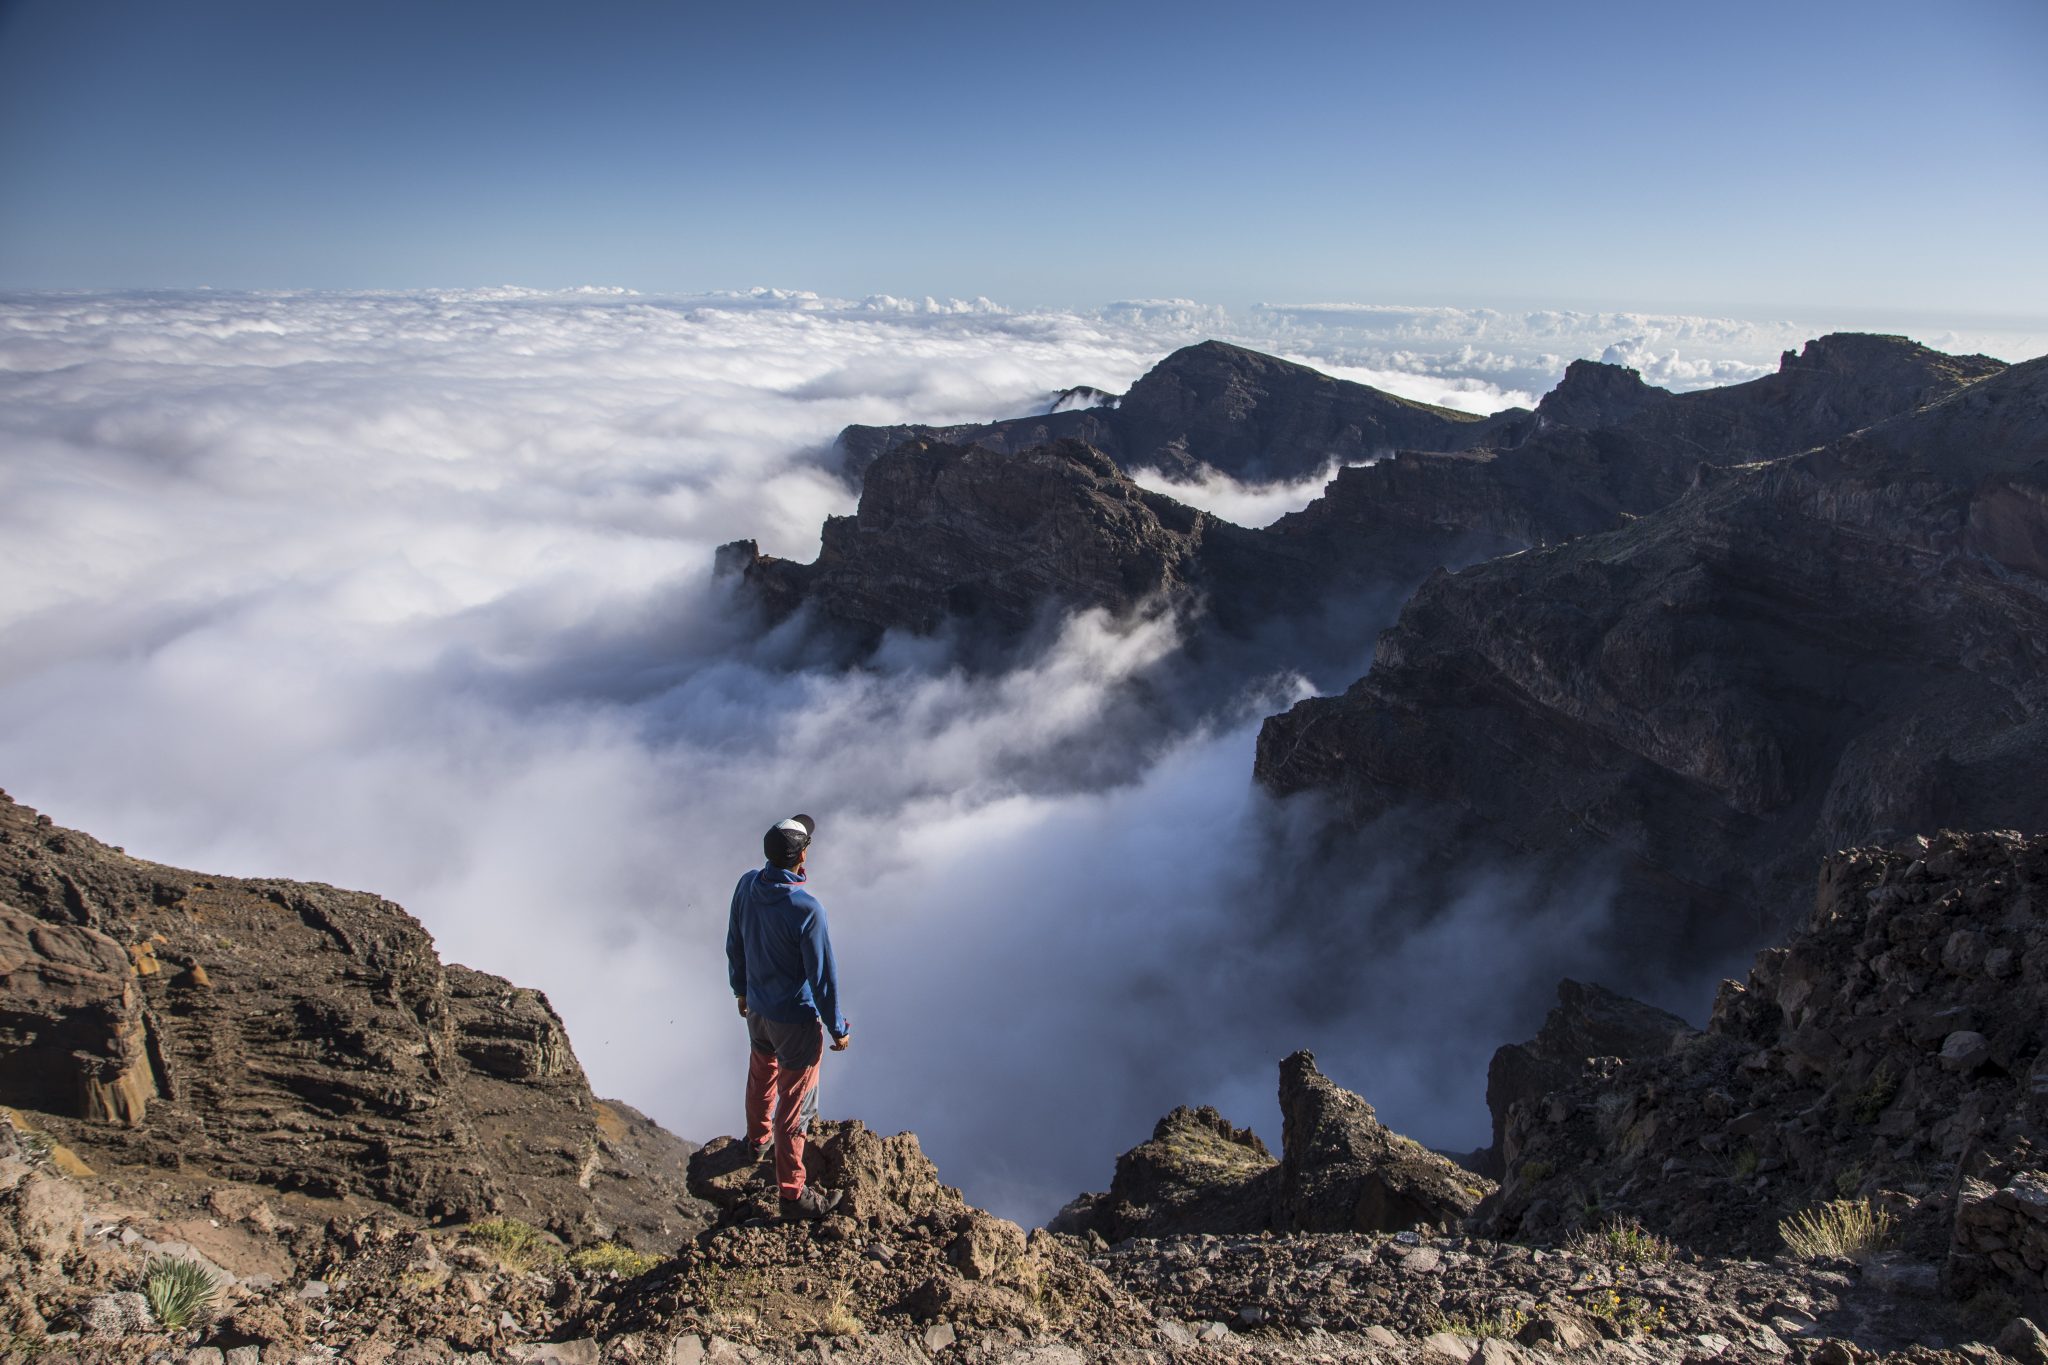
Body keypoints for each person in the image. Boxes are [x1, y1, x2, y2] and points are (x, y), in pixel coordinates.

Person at [725, 813, 851, 1220]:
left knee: (761, 1074)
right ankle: (793, 1196)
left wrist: (741, 989)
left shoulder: (748, 884)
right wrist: (838, 1027)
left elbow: (735, 940)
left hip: (757, 1011)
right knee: (796, 1107)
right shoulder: (807, 909)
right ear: (802, 855)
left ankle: (755, 1141)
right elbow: (822, 978)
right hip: (795, 1022)